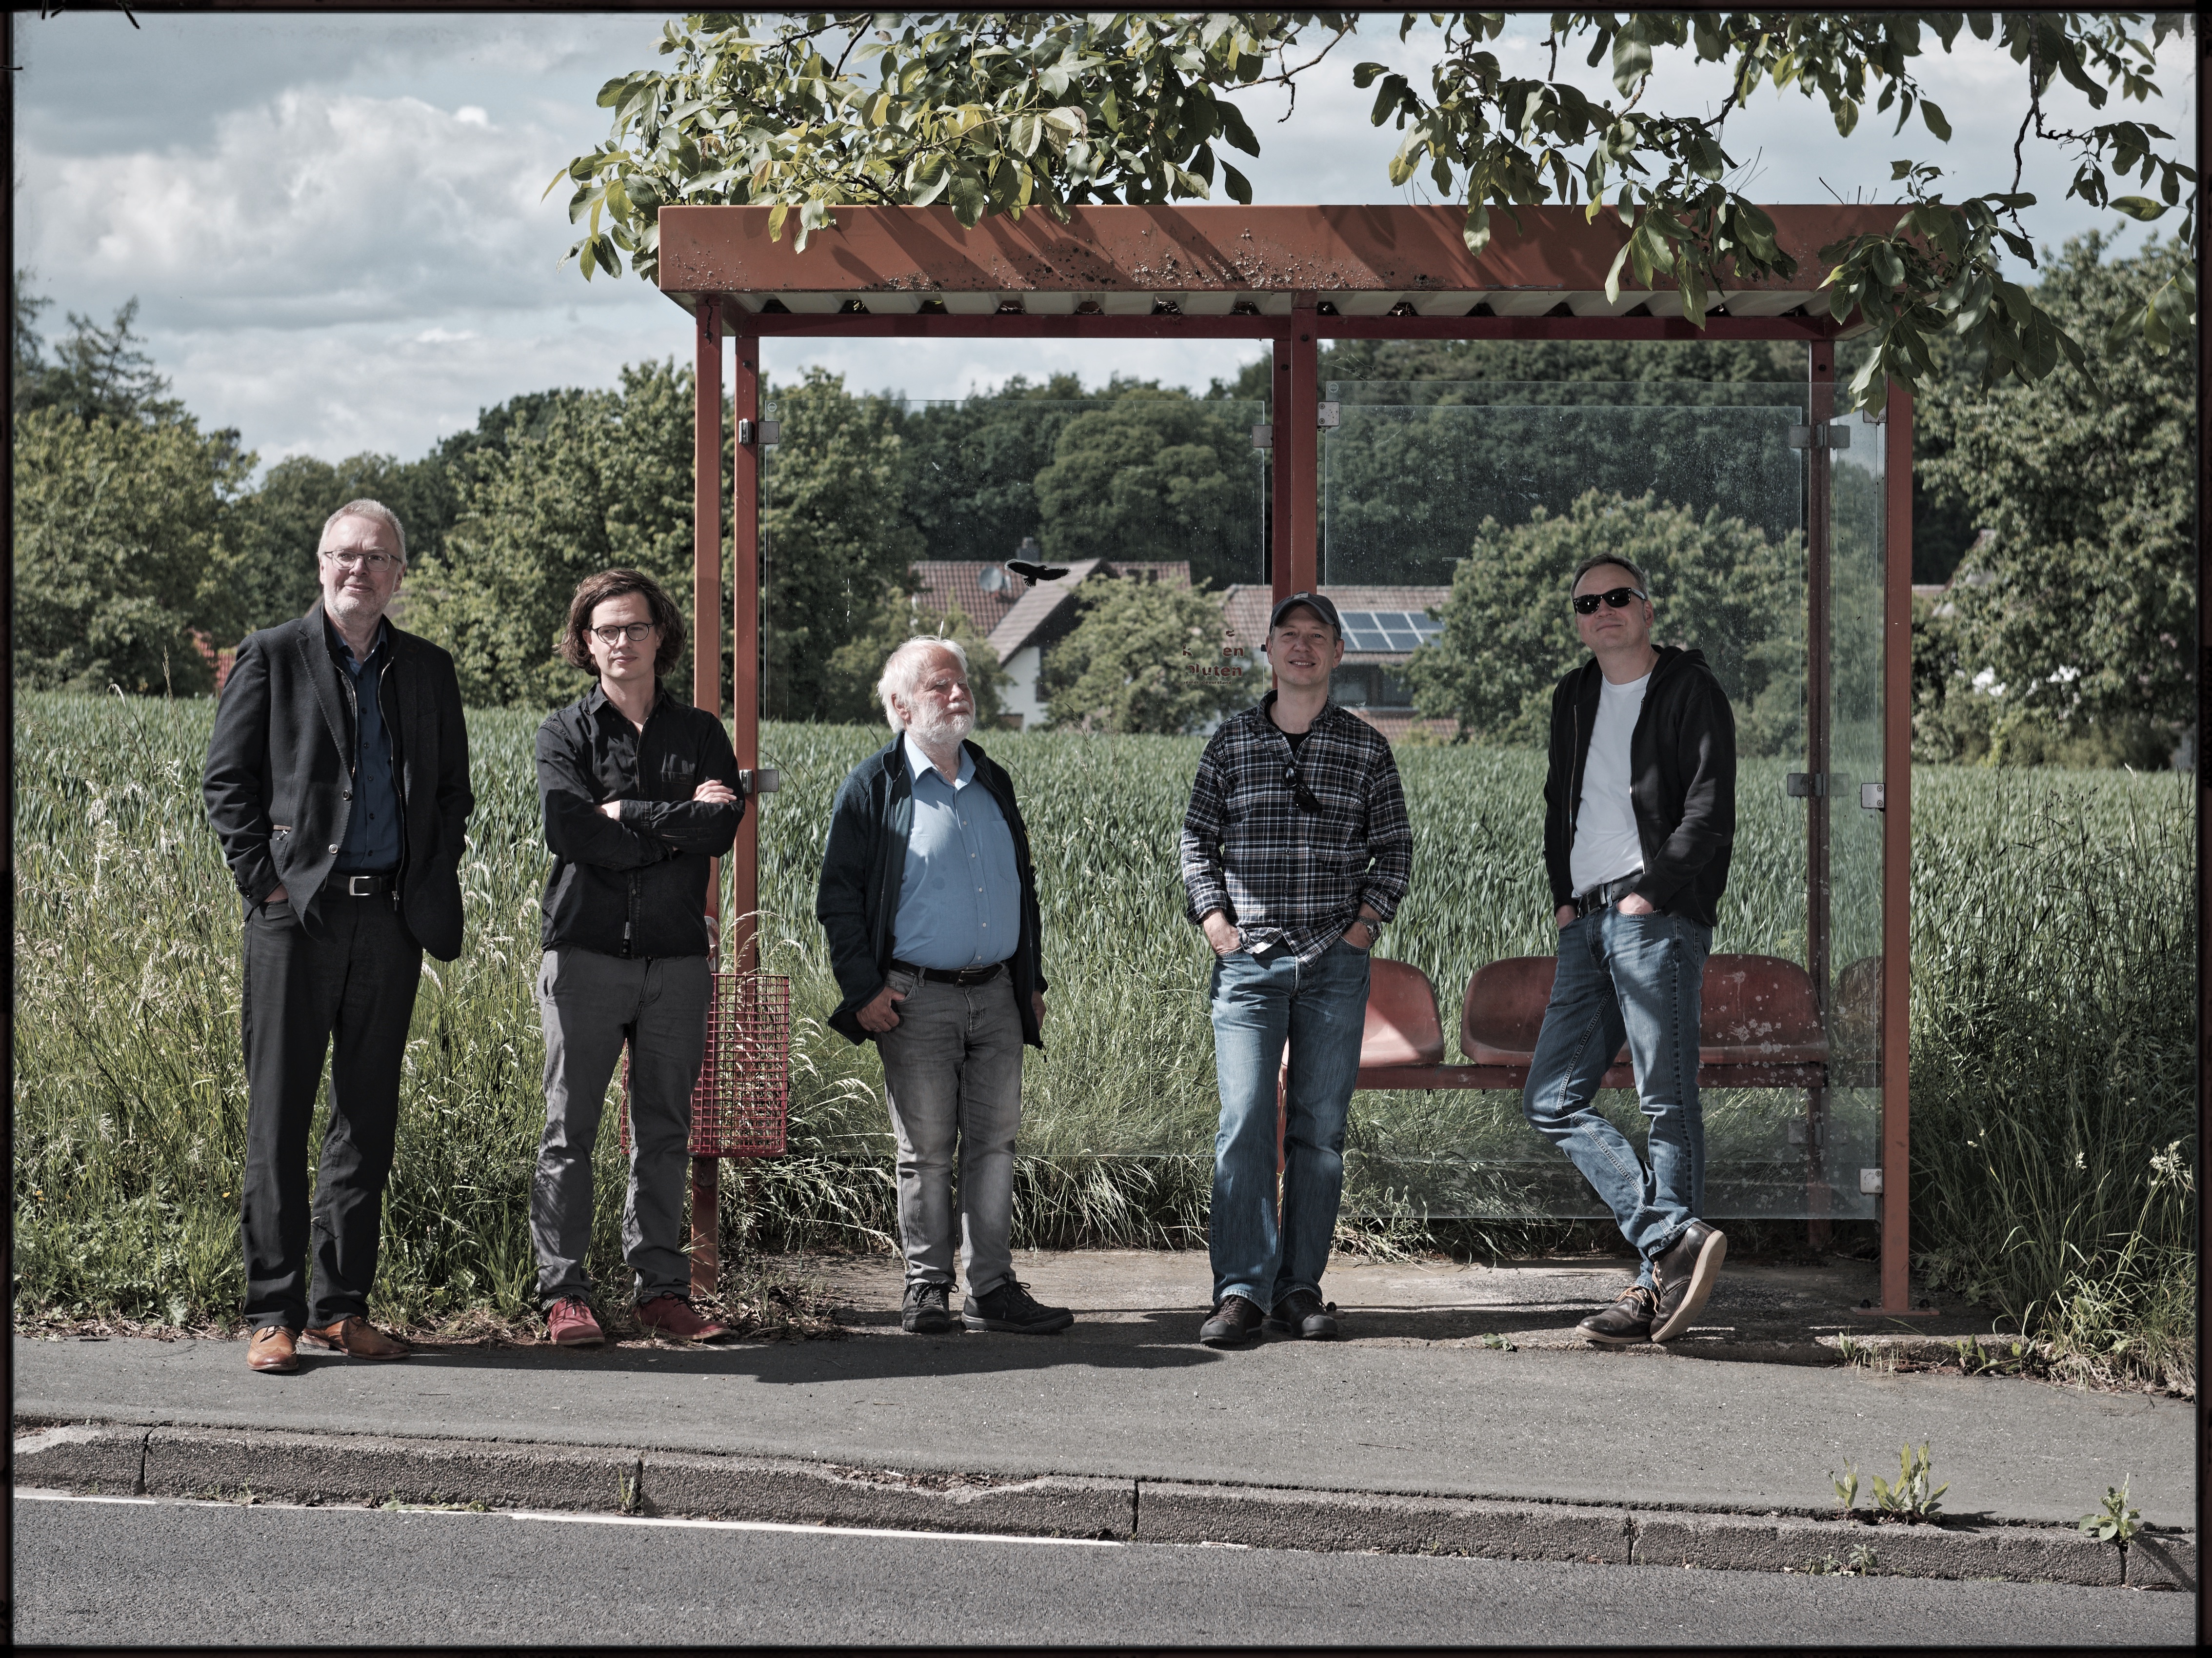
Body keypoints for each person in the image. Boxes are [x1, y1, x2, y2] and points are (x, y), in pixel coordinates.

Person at [203, 499, 474, 1374]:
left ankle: (339, 1309)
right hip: (297, 919)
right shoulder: (274, 655)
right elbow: (228, 785)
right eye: (345, 556)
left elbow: (451, 794)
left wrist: (427, 873)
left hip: (391, 918)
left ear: (400, 573)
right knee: (279, 1118)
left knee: (367, 1120)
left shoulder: (427, 669)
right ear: (321, 565)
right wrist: (269, 885)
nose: (360, 570)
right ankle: (272, 1313)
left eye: (379, 558)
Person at [816, 637, 1070, 1337]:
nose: (958, 696)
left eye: (961, 684)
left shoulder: (992, 778)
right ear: (900, 707)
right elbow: (838, 897)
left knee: (995, 1146)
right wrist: (863, 988)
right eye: (939, 687)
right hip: (914, 998)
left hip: (996, 995)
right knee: (924, 1151)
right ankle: (927, 1287)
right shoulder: (874, 787)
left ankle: (991, 1288)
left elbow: (1025, 887)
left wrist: (1030, 980)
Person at [1179, 592, 1411, 1348]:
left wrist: (1362, 927)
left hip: (1334, 966)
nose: (1303, 647)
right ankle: (1241, 1289)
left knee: (1320, 1132)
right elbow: (1195, 845)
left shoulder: (1367, 749)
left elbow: (1396, 848)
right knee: (1245, 1122)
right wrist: (1217, 926)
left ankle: (1300, 1288)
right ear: (1269, 652)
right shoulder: (1232, 743)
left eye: (1318, 637)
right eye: (1290, 635)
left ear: (1339, 654)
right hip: (1250, 965)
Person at [1524, 554, 1735, 1347]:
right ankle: (1671, 1239)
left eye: (1618, 597)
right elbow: (1560, 803)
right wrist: (1564, 902)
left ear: (1647, 609)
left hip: (1655, 918)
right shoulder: (1574, 696)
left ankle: (1655, 1292)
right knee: (1550, 1098)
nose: (1602, 611)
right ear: (1577, 620)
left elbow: (1711, 811)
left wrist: (1652, 893)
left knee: (1665, 1101)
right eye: (1588, 603)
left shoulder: (1689, 690)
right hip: (1586, 925)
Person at [531, 569, 745, 1347]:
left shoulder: (700, 734)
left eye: (636, 628)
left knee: (664, 1132)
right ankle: (566, 1295)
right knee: (570, 1132)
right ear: (585, 645)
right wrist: (672, 823)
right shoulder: (564, 733)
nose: (622, 643)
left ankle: (662, 1292)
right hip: (584, 955)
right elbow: (570, 831)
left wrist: (626, 813)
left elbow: (721, 831)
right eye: (606, 632)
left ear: (662, 636)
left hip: (676, 962)